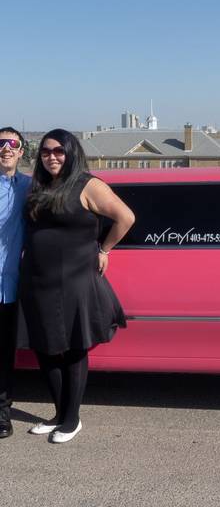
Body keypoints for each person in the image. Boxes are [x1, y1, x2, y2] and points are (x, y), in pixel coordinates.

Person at [19, 129, 134, 444]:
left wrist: (105, 250)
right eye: (45, 151)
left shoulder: (88, 185)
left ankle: (72, 419)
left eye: (59, 151)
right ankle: (58, 413)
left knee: (72, 348)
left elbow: (125, 217)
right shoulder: (38, 186)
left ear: (71, 152)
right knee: (44, 348)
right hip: (36, 280)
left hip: (74, 281)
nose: (51, 156)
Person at [0, 127, 30, 438]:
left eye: (13, 143)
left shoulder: (30, 187)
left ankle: (2, 414)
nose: (6, 148)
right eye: (1, 143)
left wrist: (101, 248)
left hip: (12, 288)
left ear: (21, 151)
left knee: (4, 355)